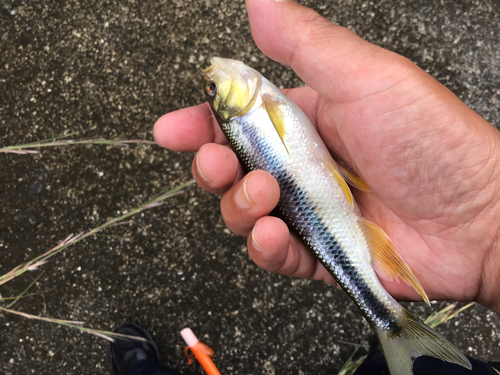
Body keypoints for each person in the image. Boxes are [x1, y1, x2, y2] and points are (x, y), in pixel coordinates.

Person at [112, 0, 500, 373]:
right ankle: (389, 328)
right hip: (340, 224)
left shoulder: (250, 112)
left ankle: (387, 340)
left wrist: (488, 226)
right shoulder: (253, 108)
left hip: (337, 222)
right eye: (214, 90)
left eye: (211, 90)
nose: (212, 76)